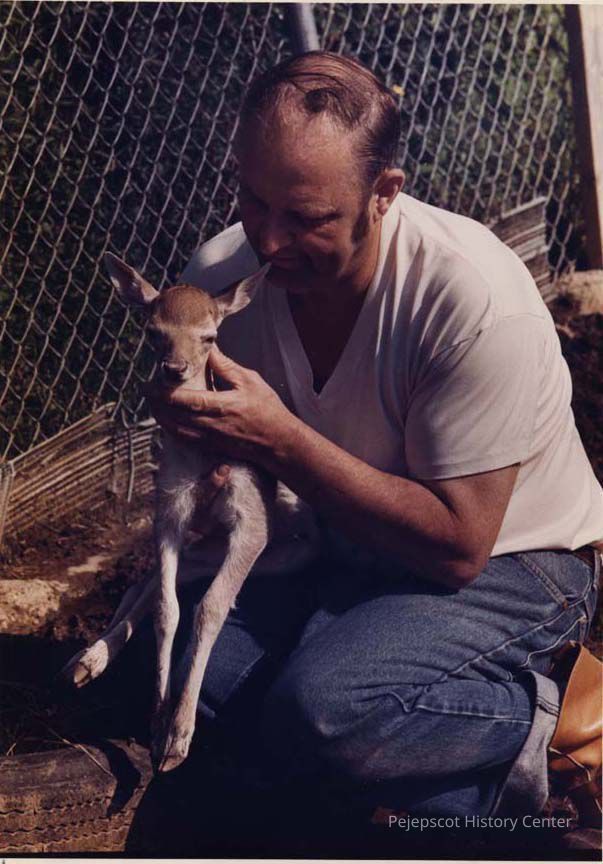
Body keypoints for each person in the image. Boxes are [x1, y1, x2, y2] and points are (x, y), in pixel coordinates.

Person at [149, 52, 603, 822]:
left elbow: (457, 547)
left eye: (305, 218)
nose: (268, 239)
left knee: (321, 708)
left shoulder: (470, 300)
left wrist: (279, 440)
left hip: (513, 561)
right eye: (252, 199)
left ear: (383, 193)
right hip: (341, 544)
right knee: (183, 672)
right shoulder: (222, 282)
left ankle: (548, 721)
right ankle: (450, 800)